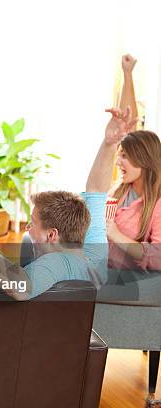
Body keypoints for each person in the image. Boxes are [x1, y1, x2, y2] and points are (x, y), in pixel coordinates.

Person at [0, 108, 143, 300]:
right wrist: (110, 144)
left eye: (32, 222)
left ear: (52, 234)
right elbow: (97, 190)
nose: (28, 227)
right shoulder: (94, 252)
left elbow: (21, 290)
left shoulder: (56, 263)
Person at [88, 55, 161, 273]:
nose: (118, 161)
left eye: (125, 157)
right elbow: (125, 130)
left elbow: (158, 257)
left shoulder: (156, 205)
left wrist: (117, 235)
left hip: (123, 281)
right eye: (120, 155)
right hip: (101, 269)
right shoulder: (120, 190)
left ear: (145, 160)